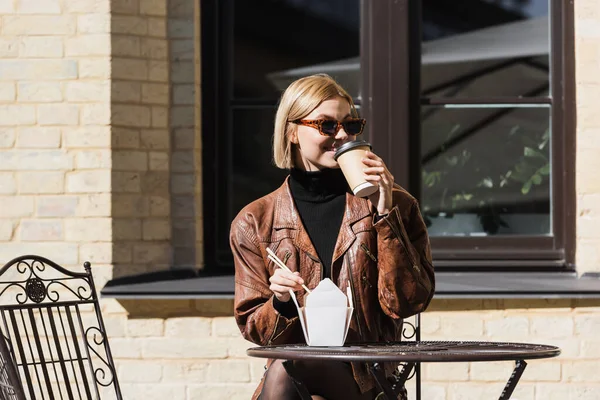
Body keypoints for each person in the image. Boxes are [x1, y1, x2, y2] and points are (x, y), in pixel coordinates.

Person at [230, 74, 435, 400]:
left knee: (291, 366)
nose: (341, 136)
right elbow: (256, 330)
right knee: (292, 365)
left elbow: (409, 302)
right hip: (292, 382)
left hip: (368, 381)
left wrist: (384, 215)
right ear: (292, 132)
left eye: (350, 126)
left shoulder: (396, 206)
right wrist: (282, 302)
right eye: (326, 125)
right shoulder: (255, 221)